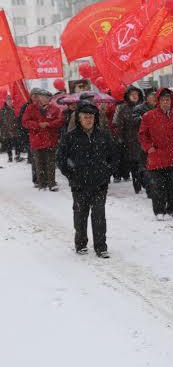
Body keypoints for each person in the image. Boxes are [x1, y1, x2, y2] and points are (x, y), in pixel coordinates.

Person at [57, 102, 119, 257]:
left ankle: (101, 246)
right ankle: (81, 244)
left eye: (91, 116)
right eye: (85, 117)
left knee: (99, 215)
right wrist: (71, 175)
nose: (88, 119)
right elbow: (61, 159)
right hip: (79, 184)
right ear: (79, 118)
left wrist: (107, 172)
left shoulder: (103, 135)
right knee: (80, 215)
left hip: (99, 183)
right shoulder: (70, 137)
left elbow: (114, 157)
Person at [138, 88, 173, 219]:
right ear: (158, 101)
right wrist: (149, 148)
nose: (165, 102)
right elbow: (142, 135)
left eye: (168, 99)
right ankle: (159, 211)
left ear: (172, 100)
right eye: (163, 99)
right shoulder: (149, 116)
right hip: (157, 157)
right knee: (158, 187)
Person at [22, 88, 65, 191]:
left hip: (51, 139)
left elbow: (60, 120)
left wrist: (49, 124)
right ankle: (42, 183)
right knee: (39, 163)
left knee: (51, 163)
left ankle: (52, 183)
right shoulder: (30, 108)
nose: (45, 99)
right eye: (43, 97)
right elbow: (25, 122)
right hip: (37, 140)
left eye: (47, 97)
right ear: (39, 97)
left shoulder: (54, 108)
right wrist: (38, 125)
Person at [112, 86, 145, 194]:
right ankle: (137, 185)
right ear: (128, 96)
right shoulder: (123, 108)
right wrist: (120, 138)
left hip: (144, 139)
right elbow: (119, 125)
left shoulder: (143, 107)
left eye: (136, 94)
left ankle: (145, 183)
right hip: (130, 141)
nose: (135, 96)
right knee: (134, 165)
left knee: (144, 164)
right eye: (132, 94)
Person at [0, 97, 20, 162]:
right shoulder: (2, 110)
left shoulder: (14, 108)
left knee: (17, 143)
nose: (10, 102)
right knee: (8, 145)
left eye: (10, 100)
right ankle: (10, 157)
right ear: (6, 101)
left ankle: (17, 156)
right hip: (6, 130)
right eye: (8, 100)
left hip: (15, 130)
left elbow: (17, 119)